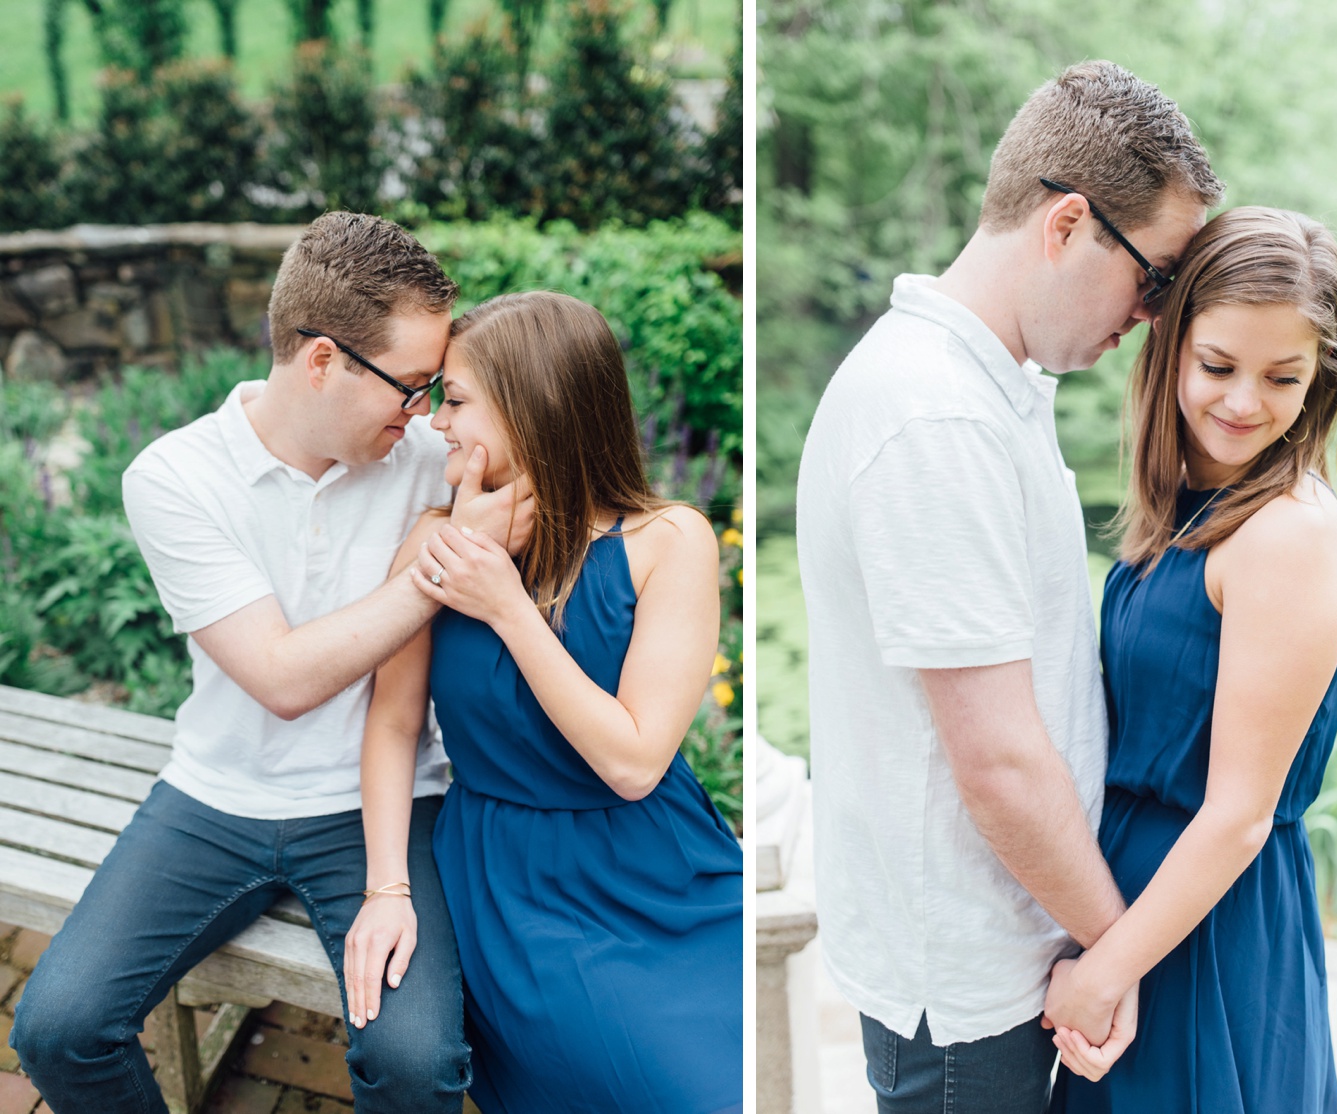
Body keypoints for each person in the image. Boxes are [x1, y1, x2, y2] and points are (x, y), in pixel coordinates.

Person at [10, 211, 529, 1114]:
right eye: (408, 386)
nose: (421, 413)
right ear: (322, 360)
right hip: (217, 796)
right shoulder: (174, 477)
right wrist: (442, 568)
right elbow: (283, 679)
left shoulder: (426, 460)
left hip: (393, 799)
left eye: (430, 390)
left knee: (415, 1063)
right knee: (57, 1030)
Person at [796, 59, 1224, 1111]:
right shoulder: (936, 418)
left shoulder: (988, 387)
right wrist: (1116, 950)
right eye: (1157, 279)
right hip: (968, 982)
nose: (1157, 318)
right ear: (1067, 224)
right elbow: (997, 761)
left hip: (1000, 949)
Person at [343, 290, 744, 1114]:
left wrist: (506, 607)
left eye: (455, 402)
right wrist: (387, 891)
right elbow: (391, 726)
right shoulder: (435, 545)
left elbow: (633, 763)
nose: (437, 425)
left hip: (657, 866)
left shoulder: (670, 542)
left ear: (537, 407)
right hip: (512, 878)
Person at [1047, 206, 1337, 1111]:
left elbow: (1237, 816)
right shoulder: (1186, 506)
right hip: (1137, 911)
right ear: (1173, 347)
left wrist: (1107, 969)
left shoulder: (1289, 537)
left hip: (1207, 929)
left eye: (1282, 377)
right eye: (1218, 366)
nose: (1242, 402)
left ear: (1319, 382)